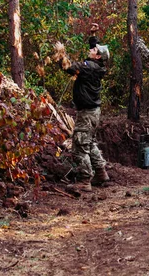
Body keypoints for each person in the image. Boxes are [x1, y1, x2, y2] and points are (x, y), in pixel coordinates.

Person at [58, 42, 110, 192]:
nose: (90, 49)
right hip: (93, 112)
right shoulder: (96, 66)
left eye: (93, 49)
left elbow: (70, 68)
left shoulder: (89, 67)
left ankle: (85, 180)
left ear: (98, 56)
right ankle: (101, 173)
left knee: (79, 146)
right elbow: (95, 51)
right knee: (89, 142)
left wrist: (60, 56)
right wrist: (94, 36)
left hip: (87, 113)